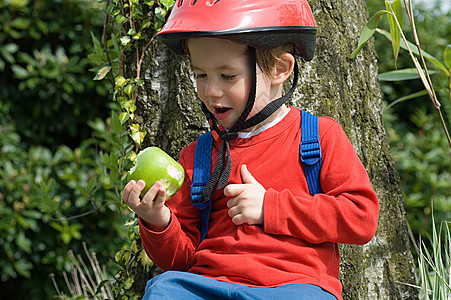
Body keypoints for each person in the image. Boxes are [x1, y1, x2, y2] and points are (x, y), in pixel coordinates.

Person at [121, 1, 379, 299]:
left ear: (280, 69)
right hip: (208, 284)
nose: (211, 91)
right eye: (200, 75)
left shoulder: (318, 137)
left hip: (292, 289)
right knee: (165, 290)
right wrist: (158, 221)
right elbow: (181, 260)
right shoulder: (198, 157)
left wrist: (271, 207)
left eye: (227, 76)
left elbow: (361, 219)